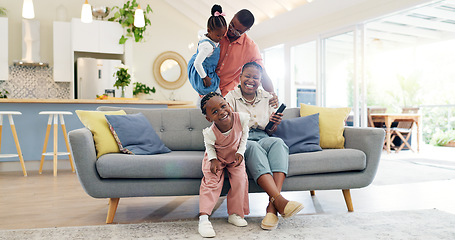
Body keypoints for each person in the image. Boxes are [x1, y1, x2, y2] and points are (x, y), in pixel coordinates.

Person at [225, 62, 304, 230]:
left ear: (260, 80)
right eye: (247, 76)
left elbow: (271, 130)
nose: (251, 80)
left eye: (255, 77)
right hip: (242, 138)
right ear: (240, 77)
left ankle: (273, 206)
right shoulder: (230, 97)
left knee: (278, 143)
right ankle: (278, 202)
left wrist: (274, 123)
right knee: (252, 148)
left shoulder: (267, 98)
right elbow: (228, 126)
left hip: (263, 136)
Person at [198, 92, 250, 238]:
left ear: (228, 104)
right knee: (211, 182)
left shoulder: (242, 118)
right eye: (215, 112)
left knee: (240, 179)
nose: (221, 112)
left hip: (235, 156)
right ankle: (204, 219)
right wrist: (213, 159)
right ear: (209, 118)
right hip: (217, 157)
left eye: (223, 106)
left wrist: (241, 152)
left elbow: (244, 135)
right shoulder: (210, 133)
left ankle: (235, 214)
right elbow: (209, 146)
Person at [216, 9, 278, 107]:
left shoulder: (250, 47)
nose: (231, 31)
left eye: (237, 31)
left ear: (246, 30)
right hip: (206, 89)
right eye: (231, 25)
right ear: (233, 16)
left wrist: (272, 94)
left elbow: (263, 74)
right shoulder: (218, 32)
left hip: (228, 94)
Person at [188, 5, 227, 99]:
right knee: (215, 96)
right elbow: (197, 63)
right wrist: (205, 78)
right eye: (218, 35)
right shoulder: (207, 46)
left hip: (207, 68)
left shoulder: (208, 36)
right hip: (202, 71)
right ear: (209, 30)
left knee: (216, 96)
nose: (221, 38)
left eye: (223, 35)